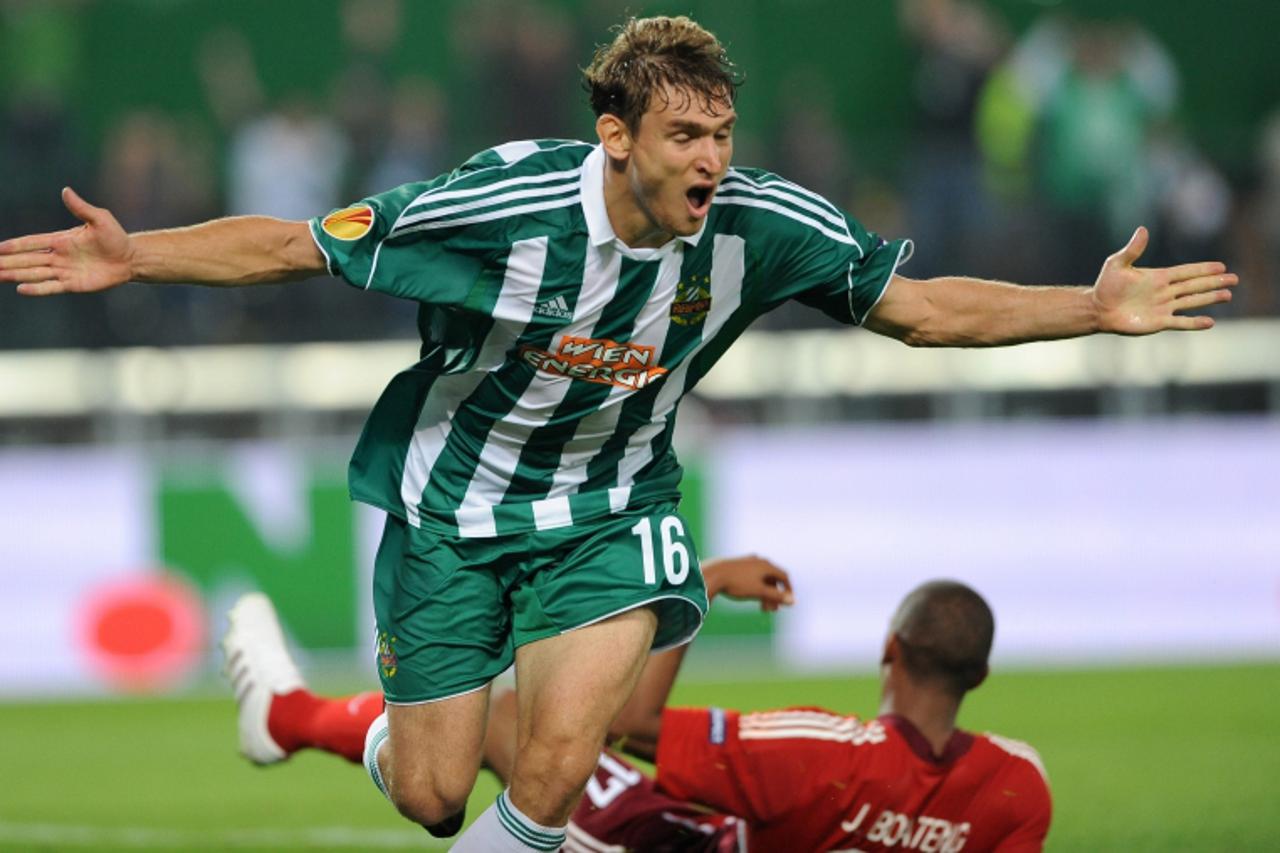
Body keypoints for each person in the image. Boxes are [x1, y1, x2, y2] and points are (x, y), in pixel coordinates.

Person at [0, 14, 1229, 851]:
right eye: (685, 137)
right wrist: (137, 254)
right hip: (455, 505)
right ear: (617, 137)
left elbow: (918, 311)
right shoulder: (506, 204)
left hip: (614, 506)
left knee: (555, 756)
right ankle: (297, 715)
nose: (711, 160)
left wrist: (1088, 305)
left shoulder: (761, 223)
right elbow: (292, 245)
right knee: (434, 793)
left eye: (722, 134)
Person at [224, 558, 1049, 851]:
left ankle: (287, 713)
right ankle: (284, 715)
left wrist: (704, 585)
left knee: (500, 720)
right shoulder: (1017, 788)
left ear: (889, 651)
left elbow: (636, 724)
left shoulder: (825, 750)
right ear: (978, 675)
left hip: (662, 844)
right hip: (687, 830)